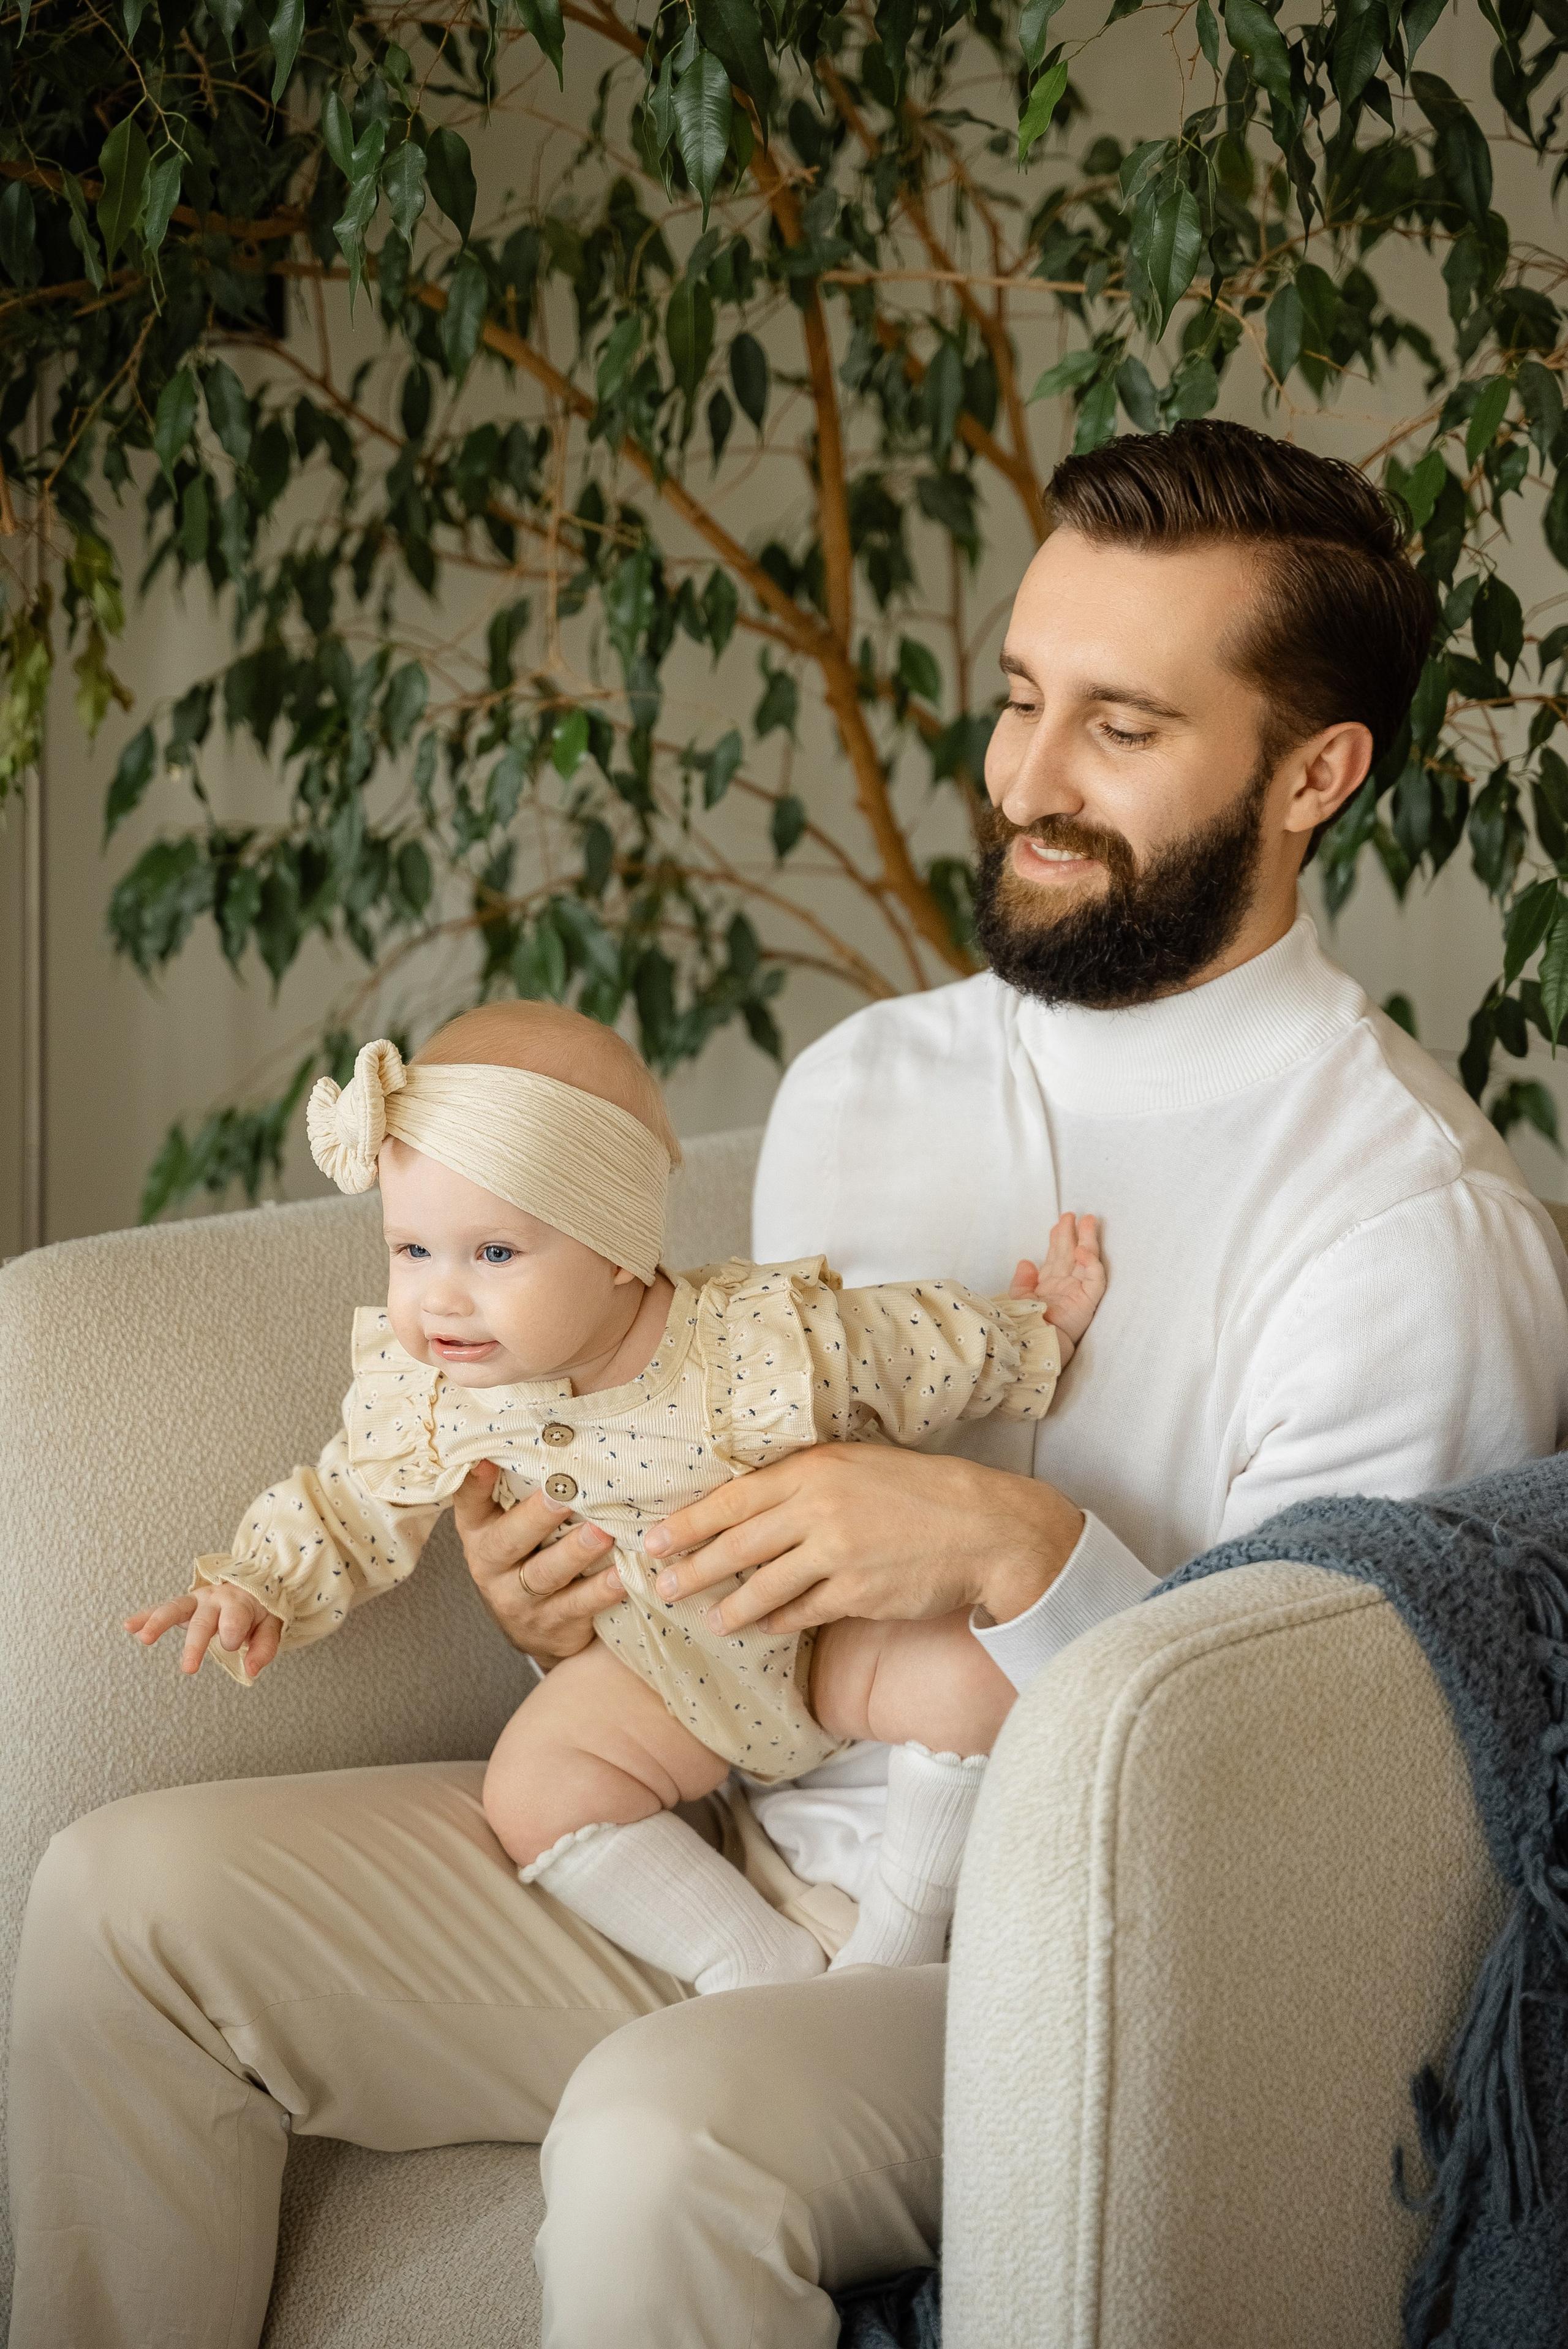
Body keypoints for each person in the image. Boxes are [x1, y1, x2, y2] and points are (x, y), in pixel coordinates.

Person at [10, 419, 1568, 2349]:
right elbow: (687, 1420)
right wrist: (558, 1577)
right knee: (120, 1902)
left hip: (1056, 1975)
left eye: (1122, 727)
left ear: (1316, 773)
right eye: (1021, 698)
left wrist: (1018, 1551)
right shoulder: (872, 1082)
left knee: (665, 2133)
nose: (1027, 781)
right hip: (720, 1833)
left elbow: (1309, 1845)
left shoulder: (1409, 1238)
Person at [123, 1007, 1104, 1985]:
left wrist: (1033, 1332)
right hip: (656, 1671)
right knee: (532, 1788)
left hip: (824, 1638)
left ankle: (896, 1944)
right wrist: (259, 1583)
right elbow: (347, 1500)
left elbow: (904, 1346)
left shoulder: (750, 1343)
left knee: (973, 1677)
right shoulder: (444, 1395)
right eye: (412, 1250)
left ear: (617, 1248)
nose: (438, 1298)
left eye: (493, 1253)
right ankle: (746, 1962)